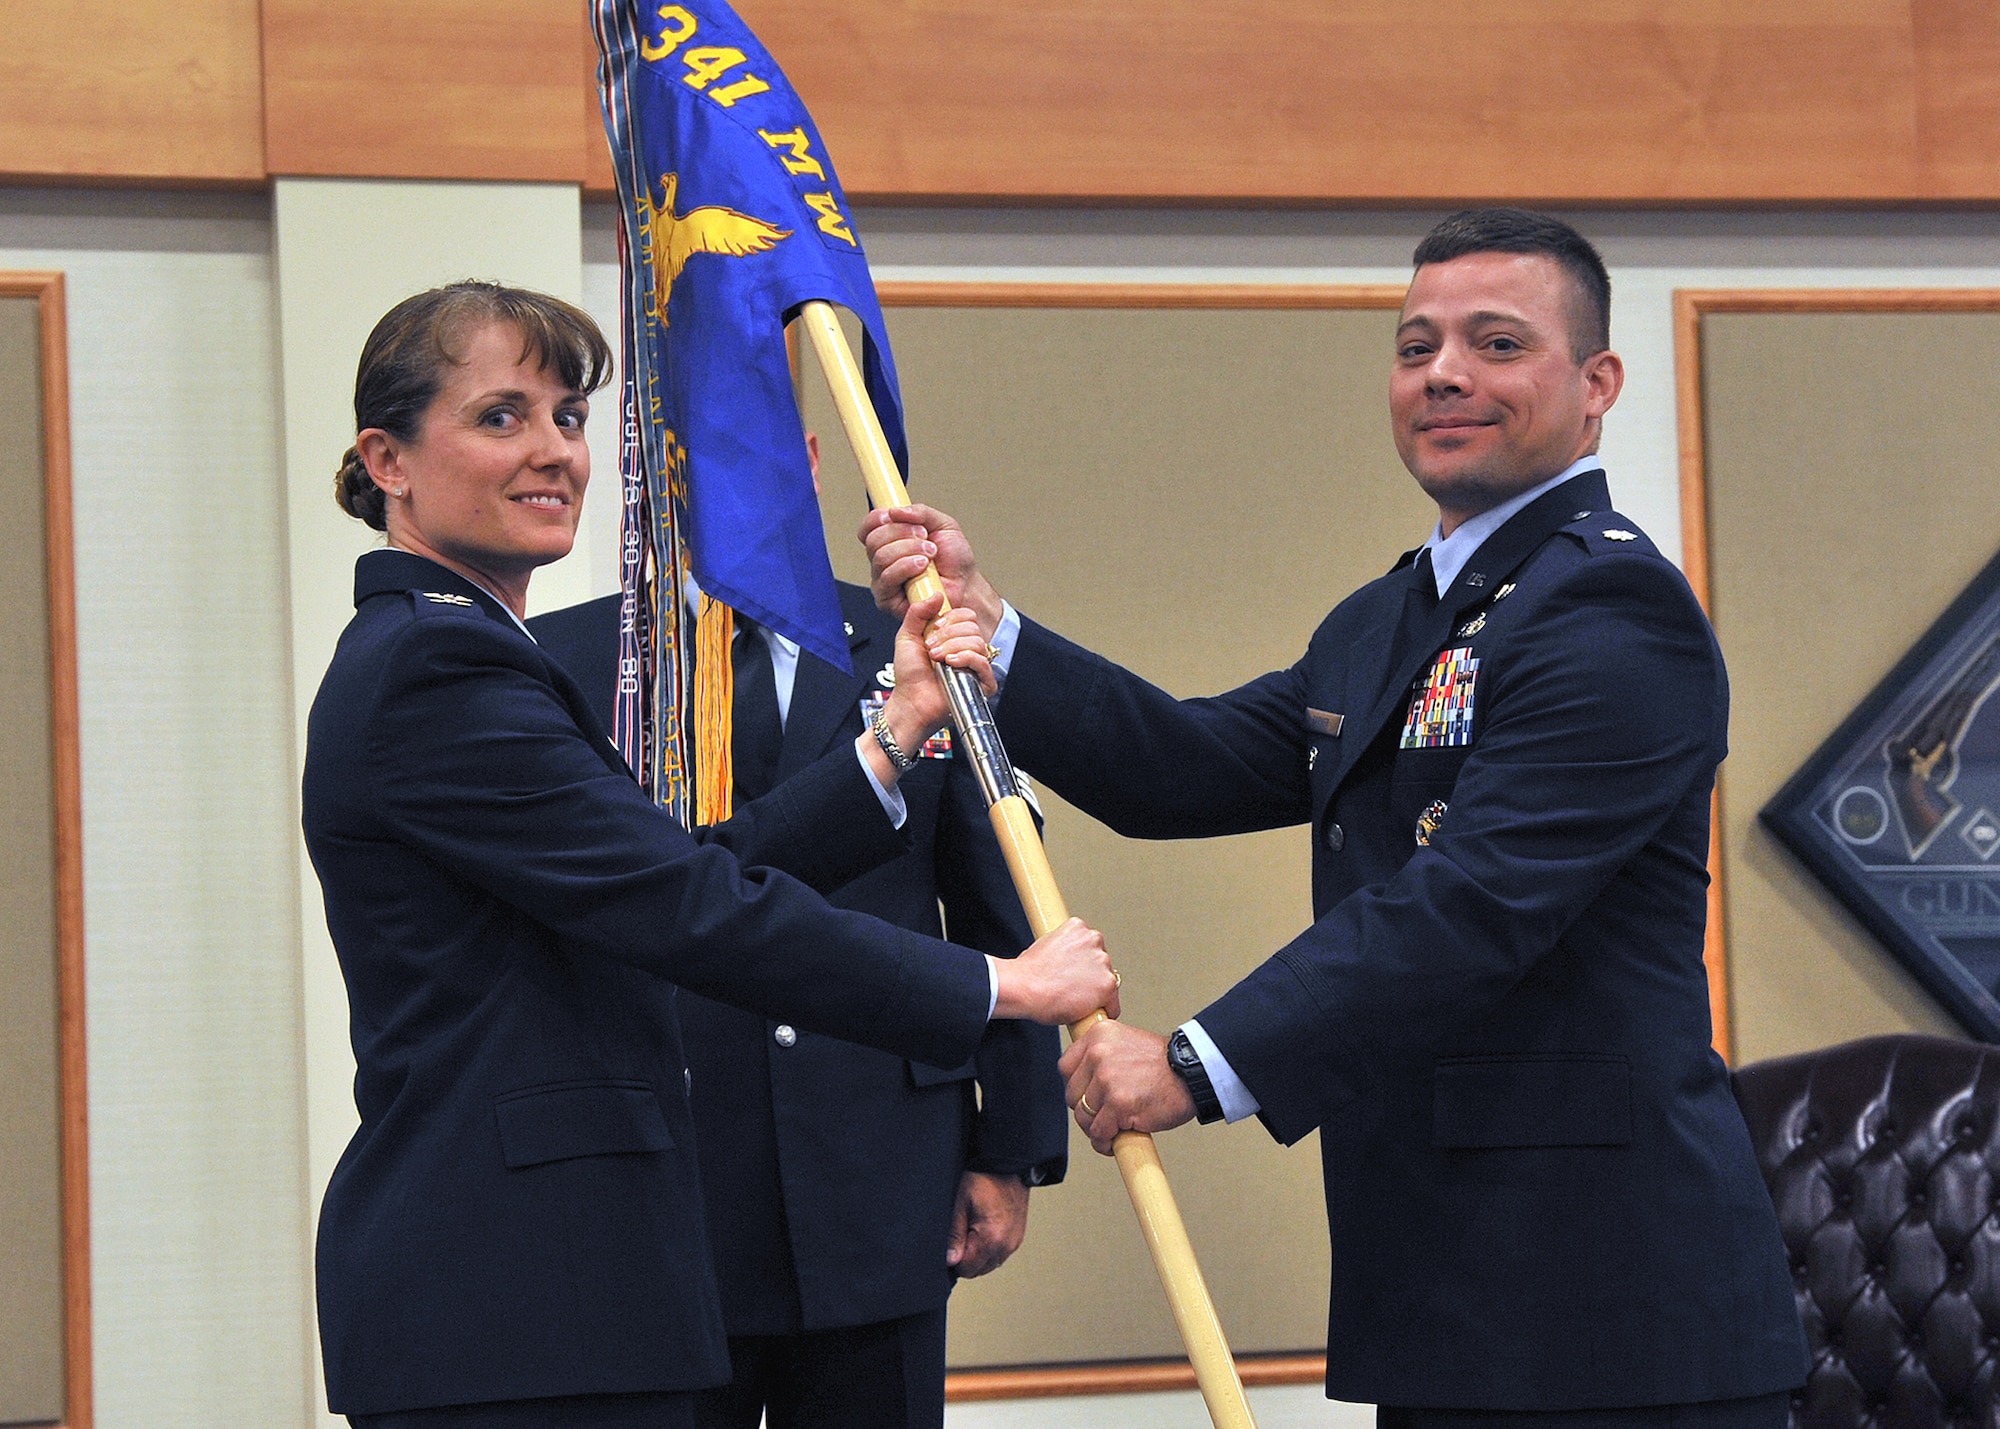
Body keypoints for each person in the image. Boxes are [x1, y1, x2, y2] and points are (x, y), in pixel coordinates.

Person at [864, 211, 1809, 1427]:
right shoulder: (1390, 616)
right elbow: (1183, 765)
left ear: (1596, 383)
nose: (1444, 374)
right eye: (1415, 348)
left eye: (1495, 342)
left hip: (1608, 1306)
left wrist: (1195, 1065)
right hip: (1440, 1289)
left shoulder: (1611, 605)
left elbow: (1466, 905)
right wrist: (989, 629)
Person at [303, 280, 1117, 1429]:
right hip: (523, 1292)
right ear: (387, 460)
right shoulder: (448, 668)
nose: (551, 453)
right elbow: (688, 904)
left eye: (569, 419)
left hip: (626, 1275)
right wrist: (999, 984)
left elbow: (686, 870)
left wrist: (889, 740)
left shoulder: (453, 649)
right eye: (500, 417)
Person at [533, 472, 1066, 1424]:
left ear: (808, 453)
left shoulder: (916, 636)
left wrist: (1011, 1149)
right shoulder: (569, 658)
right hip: (668, 1183)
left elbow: (996, 901)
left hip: (883, 1179)